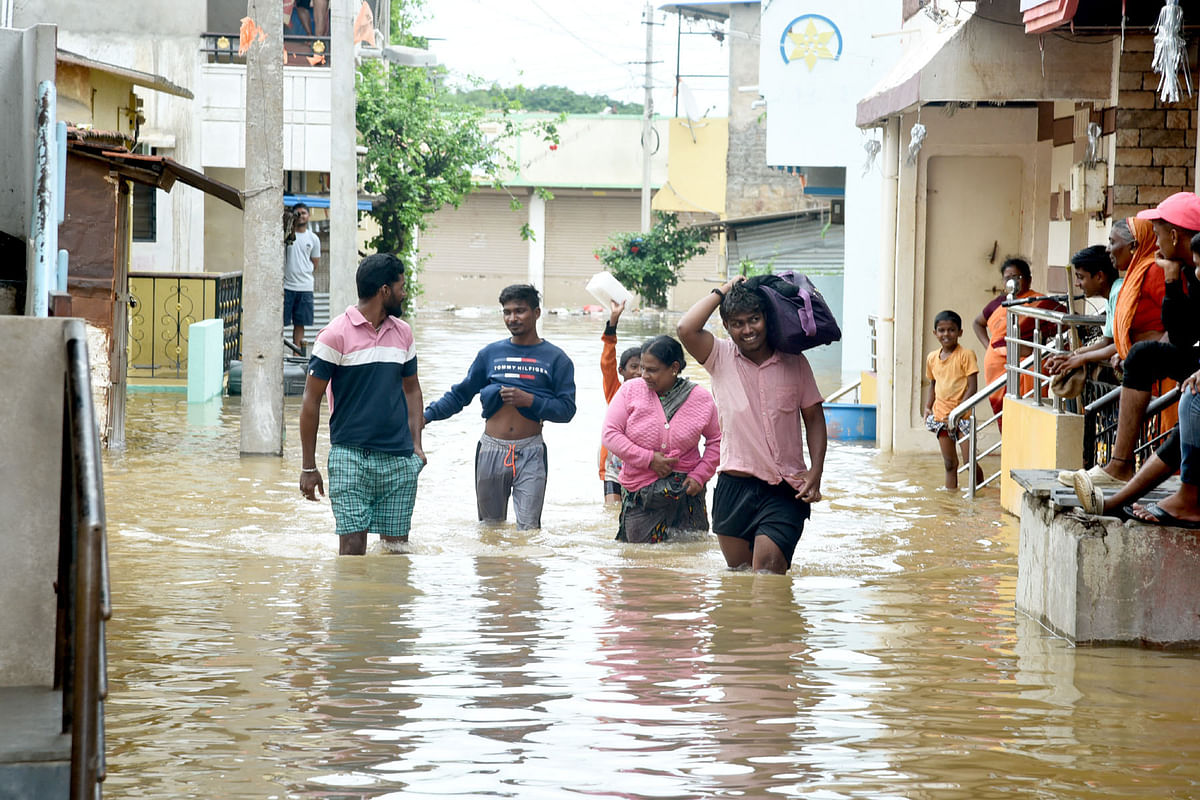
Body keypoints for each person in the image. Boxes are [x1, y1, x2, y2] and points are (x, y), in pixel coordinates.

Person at [677, 275, 827, 575]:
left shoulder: (794, 362)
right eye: (737, 323)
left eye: (754, 319)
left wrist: (816, 470)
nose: (747, 330)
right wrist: (726, 289)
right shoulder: (718, 356)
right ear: (727, 327)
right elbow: (686, 328)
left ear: (767, 319)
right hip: (734, 486)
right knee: (740, 576)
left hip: (785, 489)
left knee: (768, 571)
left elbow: (814, 418)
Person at [1070, 193, 1200, 498]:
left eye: (1157, 233)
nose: (1155, 242)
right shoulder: (1177, 267)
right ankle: (1120, 465)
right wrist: (1172, 280)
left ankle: (1179, 496)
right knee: (1142, 357)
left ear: (1174, 235)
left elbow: (1171, 332)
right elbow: (1182, 335)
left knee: (1189, 408)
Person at [298, 253, 424, 556]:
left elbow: (412, 391)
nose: (404, 293)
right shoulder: (335, 334)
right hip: (349, 457)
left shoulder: (403, 333)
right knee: (353, 547)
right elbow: (310, 401)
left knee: (397, 552)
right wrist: (308, 466)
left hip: (399, 459)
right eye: (401, 287)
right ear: (385, 291)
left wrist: (417, 447)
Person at [424, 284, 576, 530]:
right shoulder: (490, 354)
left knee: (529, 530)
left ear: (537, 313)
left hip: (531, 452)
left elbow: (567, 410)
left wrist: (530, 401)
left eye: (520, 311)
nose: (512, 318)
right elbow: (460, 394)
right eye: (507, 312)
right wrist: (426, 416)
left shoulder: (557, 359)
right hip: (491, 450)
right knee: (490, 530)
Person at [602, 336, 721, 542]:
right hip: (642, 496)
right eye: (642, 368)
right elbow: (610, 434)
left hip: (687, 495)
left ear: (674, 367)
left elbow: (717, 440)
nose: (643, 375)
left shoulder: (700, 398)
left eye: (652, 370)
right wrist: (649, 459)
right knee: (640, 562)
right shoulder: (630, 391)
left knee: (686, 563)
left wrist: (700, 475)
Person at [972, 257, 1058, 417]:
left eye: (1017, 277)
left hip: (1029, 365)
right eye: (1008, 278)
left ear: (1029, 280)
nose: (1012, 281)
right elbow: (977, 323)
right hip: (997, 368)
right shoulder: (998, 303)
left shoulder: (1040, 302)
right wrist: (989, 346)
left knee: (1030, 412)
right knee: (1004, 414)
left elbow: (1065, 319)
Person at [923, 310, 981, 490]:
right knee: (949, 464)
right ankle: (950, 500)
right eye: (941, 330)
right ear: (935, 333)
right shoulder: (932, 357)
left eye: (951, 330)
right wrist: (927, 407)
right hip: (941, 417)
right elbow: (933, 383)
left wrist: (959, 411)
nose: (946, 334)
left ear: (960, 332)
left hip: (962, 417)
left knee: (969, 462)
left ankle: (980, 490)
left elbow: (972, 387)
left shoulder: (966, 355)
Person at [1043, 245, 1121, 380]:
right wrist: (1071, 356)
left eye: (1081, 277)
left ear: (1099, 276)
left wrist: (1082, 358)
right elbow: (1107, 342)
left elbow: (1121, 345)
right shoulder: (1111, 296)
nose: (1077, 284)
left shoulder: (1118, 292)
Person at [600, 299, 642, 503]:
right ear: (622, 371)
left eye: (645, 367)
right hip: (613, 467)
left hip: (642, 467)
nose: (639, 372)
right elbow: (607, 361)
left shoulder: (655, 394)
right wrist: (613, 322)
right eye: (634, 367)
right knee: (612, 512)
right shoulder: (616, 391)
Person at [284, 202, 320, 355]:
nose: (301, 216)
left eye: (304, 213)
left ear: (308, 216)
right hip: (286, 285)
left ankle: (296, 355)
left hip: (305, 287)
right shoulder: (286, 235)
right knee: (280, 323)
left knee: (300, 324)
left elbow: (315, 262)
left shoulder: (313, 238)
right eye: (297, 213)